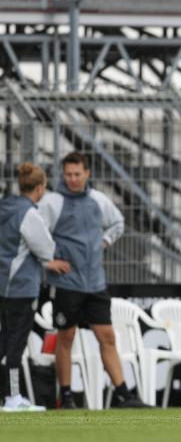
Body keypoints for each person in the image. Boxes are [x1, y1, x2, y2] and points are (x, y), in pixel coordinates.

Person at [37, 152, 147, 409]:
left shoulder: (98, 200)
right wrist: (48, 261)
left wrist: (104, 242)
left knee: (107, 336)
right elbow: (35, 233)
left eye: (77, 174)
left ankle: (123, 395)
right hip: (66, 283)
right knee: (66, 337)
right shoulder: (52, 203)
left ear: (87, 174)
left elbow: (118, 223)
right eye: (68, 175)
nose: (73, 179)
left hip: (95, 282)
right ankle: (65, 396)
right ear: (63, 176)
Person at [0, 163, 70, 412]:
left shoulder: (5, 207)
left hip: (3, 286)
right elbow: (45, 247)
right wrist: (48, 261)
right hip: (20, 288)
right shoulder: (29, 214)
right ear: (40, 189)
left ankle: (9, 396)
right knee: (15, 346)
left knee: (4, 342)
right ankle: (12, 398)